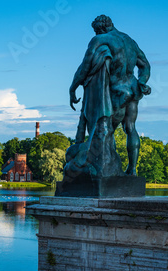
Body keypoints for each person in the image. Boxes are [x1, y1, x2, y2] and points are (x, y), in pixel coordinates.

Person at [69, 15, 151, 175]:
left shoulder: (100, 39)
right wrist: (142, 81)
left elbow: (85, 67)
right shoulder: (129, 41)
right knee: (131, 128)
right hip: (134, 88)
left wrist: (73, 87)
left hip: (117, 90)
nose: (95, 34)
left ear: (100, 28)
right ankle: (132, 170)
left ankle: (108, 169)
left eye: (96, 31)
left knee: (107, 129)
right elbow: (145, 65)